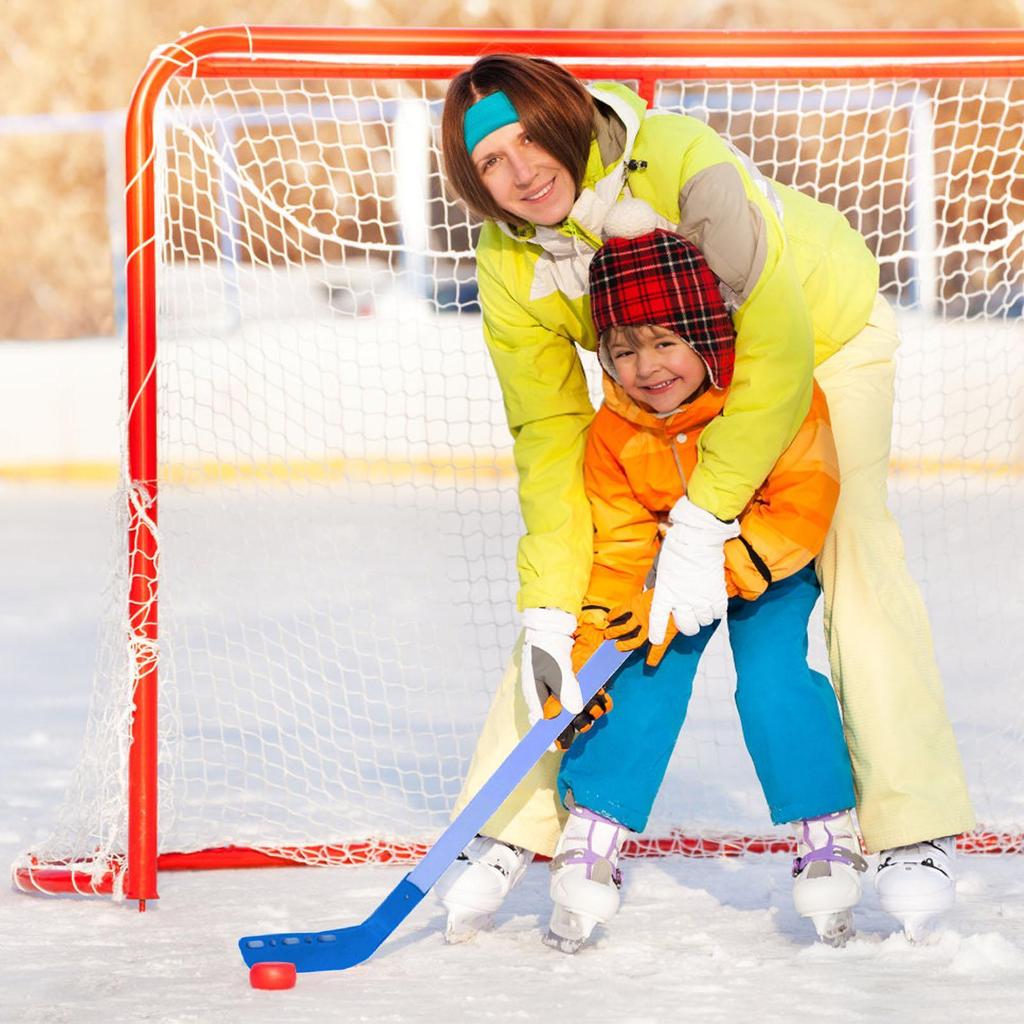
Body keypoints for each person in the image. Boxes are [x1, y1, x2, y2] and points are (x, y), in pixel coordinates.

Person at [434, 53, 973, 940]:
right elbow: (552, 444)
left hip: (818, 338)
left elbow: (778, 349)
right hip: (666, 379)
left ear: (570, 119)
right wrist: (546, 614)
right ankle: (508, 820)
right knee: (576, 604)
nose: (520, 169)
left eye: (531, 138)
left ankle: (910, 825)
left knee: (857, 544)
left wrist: (704, 520)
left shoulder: (682, 160)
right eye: (491, 159)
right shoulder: (507, 259)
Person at [536, 198, 864, 951]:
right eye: (621, 348)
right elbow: (618, 548)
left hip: (767, 563)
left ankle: (826, 830)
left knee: (774, 676)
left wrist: (736, 562)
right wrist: (591, 650)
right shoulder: (612, 433)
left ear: (708, 330)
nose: (644, 367)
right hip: (672, 575)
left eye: (663, 341)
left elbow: (807, 493)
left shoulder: (769, 392)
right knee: (644, 673)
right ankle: (594, 831)